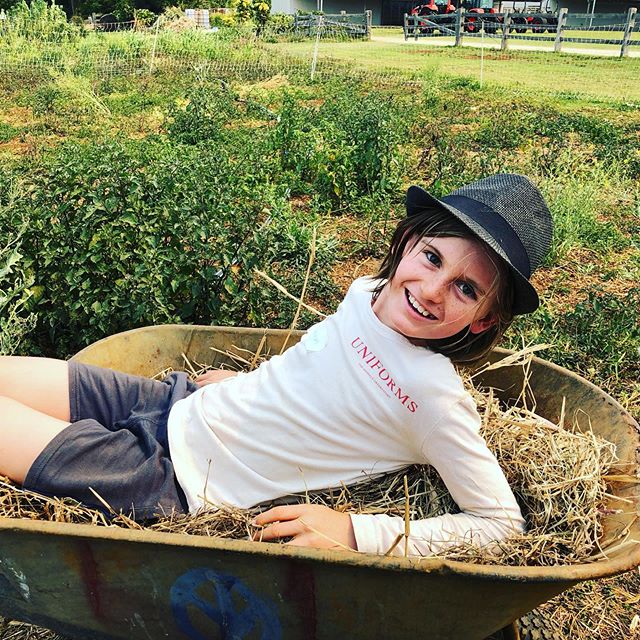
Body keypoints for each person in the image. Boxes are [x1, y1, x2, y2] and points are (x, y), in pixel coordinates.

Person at [0, 173, 553, 557]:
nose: (431, 290)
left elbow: (502, 524)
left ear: (482, 320)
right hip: (178, 403)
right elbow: (322, 370)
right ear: (409, 241)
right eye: (432, 257)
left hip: (175, 481)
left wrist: (356, 532)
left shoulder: (431, 399)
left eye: (465, 288)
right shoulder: (369, 294)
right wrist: (247, 383)